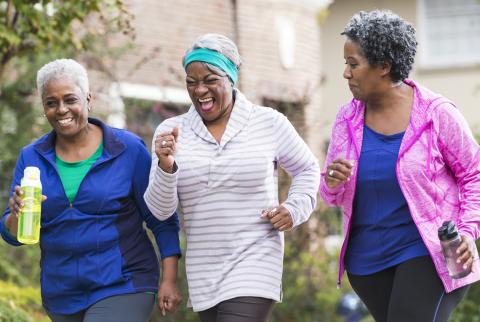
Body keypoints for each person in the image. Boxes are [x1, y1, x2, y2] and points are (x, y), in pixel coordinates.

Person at [144, 33, 320, 322]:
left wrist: (294, 208)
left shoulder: (268, 122)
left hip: (256, 259)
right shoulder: (172, 131)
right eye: (191, 82)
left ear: (231, 77)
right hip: (205, 268)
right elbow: (161, 211)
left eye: (210, 80)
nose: (200, 90)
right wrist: (166, 166)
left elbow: (308, 169)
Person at [319, 9, 480, 322]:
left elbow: (474, 173)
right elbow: (331, 196)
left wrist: (467, 231)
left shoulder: (437, 114)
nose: (346, 74)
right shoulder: (346, 119)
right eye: (345, 64)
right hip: (367, 263)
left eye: (353, 64)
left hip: (427, 252)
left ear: (384, 66)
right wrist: (332, 182)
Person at [0, 59, 182, 322]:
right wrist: (16, 214)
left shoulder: (127, 149)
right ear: (44, 108)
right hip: (62, 294)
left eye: (70, 99)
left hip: (124, 284)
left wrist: (170, 278)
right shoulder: (32, 158)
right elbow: (13, 235)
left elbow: (161, 217)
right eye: (51, 103)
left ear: (88, 99)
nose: (62, 109)